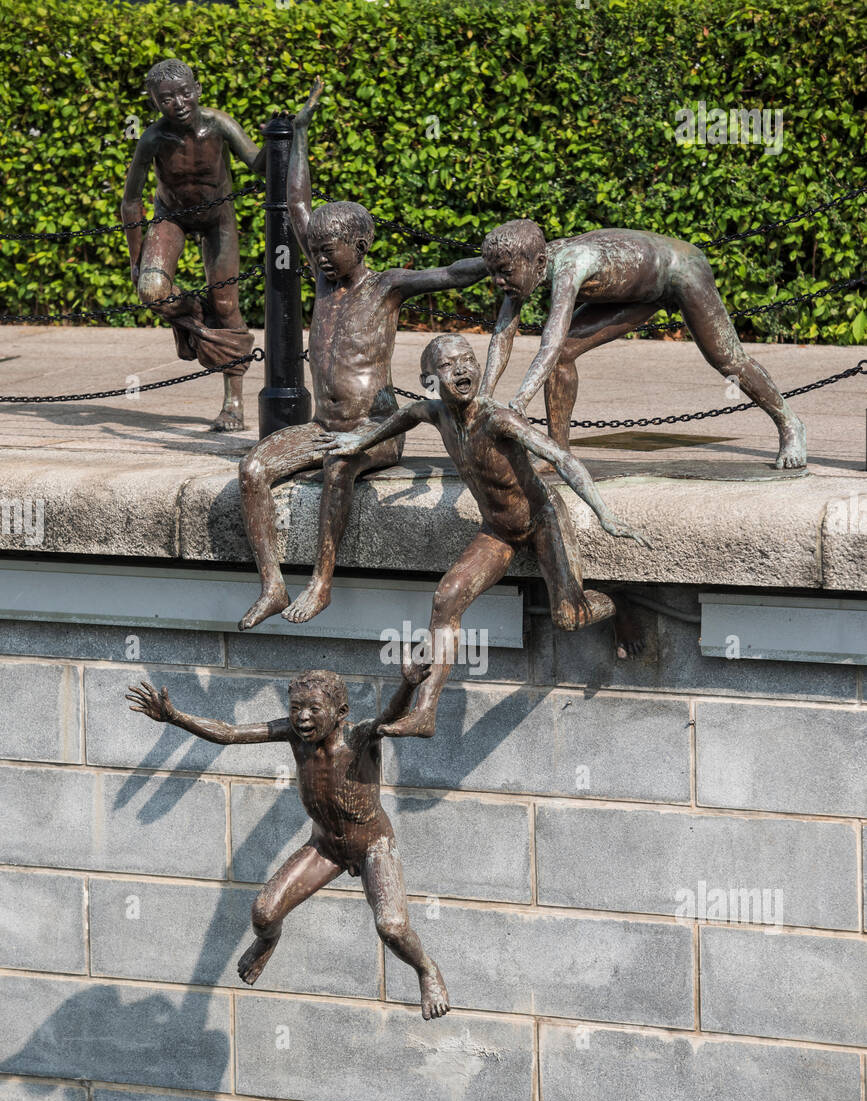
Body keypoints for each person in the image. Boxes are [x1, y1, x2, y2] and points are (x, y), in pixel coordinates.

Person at [236, 78, 489, 632]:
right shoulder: (327, 284)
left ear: (360, 246)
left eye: (331, 253)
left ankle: (322, 584)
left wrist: (495, 259)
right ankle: (273, 584)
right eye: (317, 253)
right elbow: (298, 205)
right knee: (253, 468)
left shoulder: (387, 287)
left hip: (375, 430)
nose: (321, 261)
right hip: (325, 423)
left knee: (338, 466)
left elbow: (449, 274)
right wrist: (298, 134)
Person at [322, 333, 649, 737]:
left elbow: (561, 457)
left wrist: (604, 513)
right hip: (497, 531)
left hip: (543, 520)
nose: (461, 369)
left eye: (468, 360)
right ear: (430, 381)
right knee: (446, 598)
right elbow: (403, 416)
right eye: (448, 365)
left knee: (567, 616)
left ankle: (618, 601)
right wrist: (359, 439)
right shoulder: (434, 413)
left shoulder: (498, 419)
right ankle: (426, 711)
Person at [125, 661, 450, 1019]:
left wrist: (406, 686)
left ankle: (426, 969)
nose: (302, 718)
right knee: (263, 914)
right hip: (327, 847)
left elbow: (389, 716)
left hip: (372, 845)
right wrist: (175, 718)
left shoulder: (359, 738)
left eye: (313, 709)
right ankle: (268, 941)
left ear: (340, 713)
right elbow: (230, 733)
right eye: (295, 708)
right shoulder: (294, 736)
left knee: (392, 928)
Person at [478, 218, 807, 469]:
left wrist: (520, 400)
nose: (497, 281)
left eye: (504, 273)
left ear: (536, 263)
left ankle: (790, 424)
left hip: (679, 271)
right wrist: (483, 396)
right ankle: (559, 453)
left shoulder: (569, 266)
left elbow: (549, 341)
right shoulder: (523, 266)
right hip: (638, 289)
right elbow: (502, 331)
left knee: (728, 359)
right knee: (565, 355)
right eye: (496, 273)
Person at [121, 58, 264, 431]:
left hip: (218, 219)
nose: (179, 103)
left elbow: (258, 164)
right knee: (151, 289)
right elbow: (131, 201)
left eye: (185, 93)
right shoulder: (153, 138)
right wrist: (137, 259)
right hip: (172, 217)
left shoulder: (219, 125)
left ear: (197, 90)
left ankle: (233, 403)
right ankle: (198, 314)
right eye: (167, 98)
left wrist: (288, 135)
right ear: (154, 101)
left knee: (227, 305)